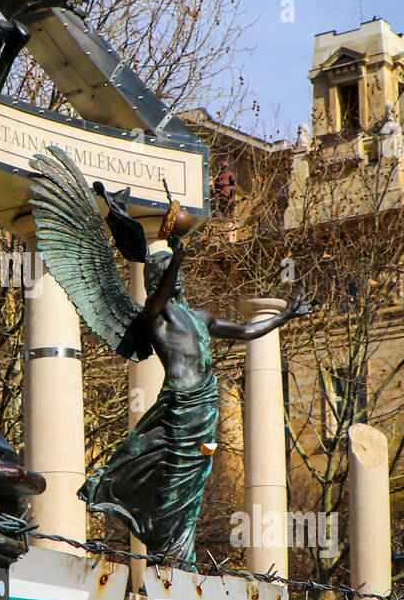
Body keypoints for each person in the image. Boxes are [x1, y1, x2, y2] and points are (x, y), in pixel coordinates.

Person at [81, 234, 312, 561]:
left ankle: (180, 560)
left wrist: (286, 315)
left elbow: (246, 332)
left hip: (205, 405)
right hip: (180, 405)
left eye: (176, 270)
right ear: (159, 280)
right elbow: (160, 296)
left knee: (193, 487)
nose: (179, 276)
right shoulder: (155, 314)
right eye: (170, 272)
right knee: (175, 484)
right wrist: (177, 256)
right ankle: (170, 558)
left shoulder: (200, 318)